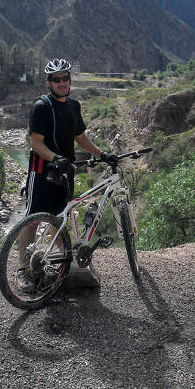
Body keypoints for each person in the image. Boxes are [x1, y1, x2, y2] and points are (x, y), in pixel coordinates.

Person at [16, 58, 118, 291]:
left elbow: (80, 137)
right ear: (49, 82)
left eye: (65, 78)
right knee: (32, 220)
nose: (62, 83)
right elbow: (36, 143)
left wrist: (102, 154)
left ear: (70, 80)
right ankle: (22, 270)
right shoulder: (41, 106)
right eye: (56, 79)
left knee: (59, 220)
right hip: (42, 171)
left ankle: (59, 266)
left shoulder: (74, 106)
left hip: (65, 173)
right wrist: (55, 158)